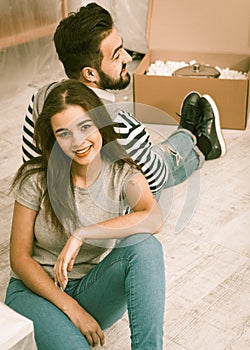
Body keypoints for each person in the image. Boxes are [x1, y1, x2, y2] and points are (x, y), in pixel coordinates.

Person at [5, 80, 165, 350]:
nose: (78, 142)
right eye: (64, 133)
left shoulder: (122, 174)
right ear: (53, 139)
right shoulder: (36, 179)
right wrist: (72, 310)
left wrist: (82, 234)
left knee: (145, 246)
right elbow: (19, 259)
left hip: (92, 290)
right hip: (35, 294)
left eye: (85, 126)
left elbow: (153, 217)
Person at [22, 2, 226, 198]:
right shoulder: (118, 122)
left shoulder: (41, 96)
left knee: (143, 153)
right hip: (100, 207)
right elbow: (156, 179)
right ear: (90, 74)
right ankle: (199, 142)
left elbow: (32, 164)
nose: (128, 58)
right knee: (163, 159)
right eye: (117, 55)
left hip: (56, 199)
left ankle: (189, 135)